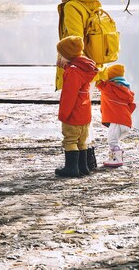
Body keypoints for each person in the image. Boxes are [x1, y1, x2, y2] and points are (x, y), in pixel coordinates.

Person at [53, 0, 103, 170]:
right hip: (89, 64)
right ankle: (87, 164)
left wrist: (65, 59)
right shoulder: (86, 4)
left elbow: (75, 39)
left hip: (79, 65)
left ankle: (76, 166)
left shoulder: (72, 7)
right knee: (84, 112)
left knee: (75, 114)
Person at [55, 36, 98, 177]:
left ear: (67, 55)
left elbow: (69, 96)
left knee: (70, 140)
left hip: (73, 114)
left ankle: (71, 168)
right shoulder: (82, 68)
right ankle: (83, 167)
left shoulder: (73, 72)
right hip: (84, 113)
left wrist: (63, 115)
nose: (58, 56)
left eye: (60, 54)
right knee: (82, 141)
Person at [95, 64, 136, 167]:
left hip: (117, 121)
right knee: (114, 140)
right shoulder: (126, 89)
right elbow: (131, 105)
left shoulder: (108, 87)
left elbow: (97, 81)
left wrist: (99, 69)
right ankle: (115, 156)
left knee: (112, 140)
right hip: (126, 122)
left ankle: (117, 159)